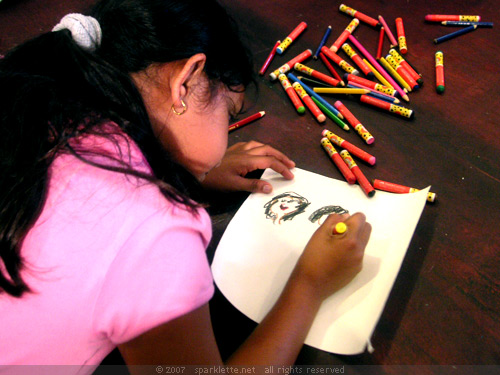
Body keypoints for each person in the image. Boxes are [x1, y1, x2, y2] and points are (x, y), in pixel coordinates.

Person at [0, 0, 371, 371]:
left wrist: (190, 167)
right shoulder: (155, 232)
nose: (227, 136)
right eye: (230, 114)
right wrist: (309, 285)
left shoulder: (32, 91)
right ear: (187, 81)